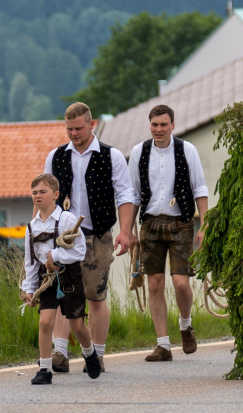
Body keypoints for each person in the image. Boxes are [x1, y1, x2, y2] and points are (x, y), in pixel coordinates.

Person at [44, 102, 134, 373]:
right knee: (64, 293)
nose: (73, 133)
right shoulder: (55, 157)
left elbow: (126, 195)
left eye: (79, 128)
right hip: (65, 239)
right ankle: (59, 353)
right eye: (69, 129)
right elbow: (45, 197)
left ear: (92, 125)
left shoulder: (112, 156)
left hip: (98, 236)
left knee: (95, 297)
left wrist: (126, 232)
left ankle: (98, 354)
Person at [127, 105, 209, 362]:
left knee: (181, 283)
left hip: (181, 223)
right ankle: (163, 345)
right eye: (154, 124)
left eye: (163, 124)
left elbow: (200, 188)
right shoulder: (139, 152)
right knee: (154, 284)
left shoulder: (187, 150)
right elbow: (133, 195)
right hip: (150, 225)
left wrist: (205, 225)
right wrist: (127, 230)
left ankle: (185, 325)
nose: (159, 129)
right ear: (149, 125)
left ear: (173, 125)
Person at [22, 173, 101, 385]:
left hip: (69, 277)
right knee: (45, 322)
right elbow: (30, 261)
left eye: (43, 192)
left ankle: (90, 353)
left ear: (56, 194)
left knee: (77, 325)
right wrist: (29, 288)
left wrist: (54, 255)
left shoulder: (67, 219)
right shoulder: (32, 227)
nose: (38, 196)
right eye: (34, 192)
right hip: (46, 278)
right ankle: (45, 369)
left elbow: (80, 251)